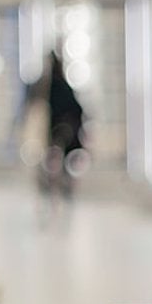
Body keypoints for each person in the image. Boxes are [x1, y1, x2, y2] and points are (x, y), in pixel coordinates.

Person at [27, 48, 86, 204]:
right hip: (56, 129)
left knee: (52, 157)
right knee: (53, 158)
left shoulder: (49, 86)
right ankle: (55, 183)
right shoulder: (53, 85)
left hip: (57, 129)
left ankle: (55, 183)